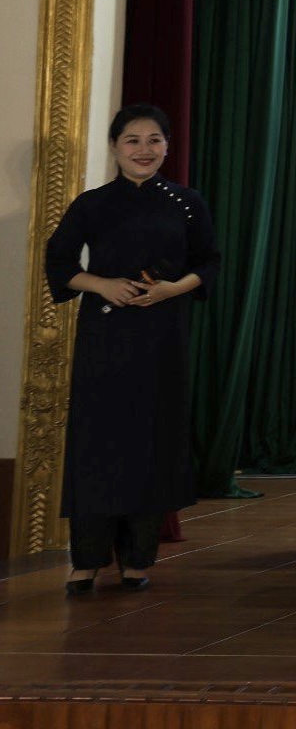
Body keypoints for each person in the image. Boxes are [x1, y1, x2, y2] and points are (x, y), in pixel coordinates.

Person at [43, 105, 217, 594]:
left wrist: (171, 289)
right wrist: (102, 284)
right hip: (105, 337)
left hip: (163, 336)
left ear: (167, 145)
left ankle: (138, 560)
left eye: (154, 140)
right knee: (97, 442)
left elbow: (209, 263)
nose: (144, 150)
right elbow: (59, 262)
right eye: (132, 141)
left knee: (151, 441)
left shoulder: (187, 203)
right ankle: (87, 561)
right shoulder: (92, 204)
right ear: (115, 147)